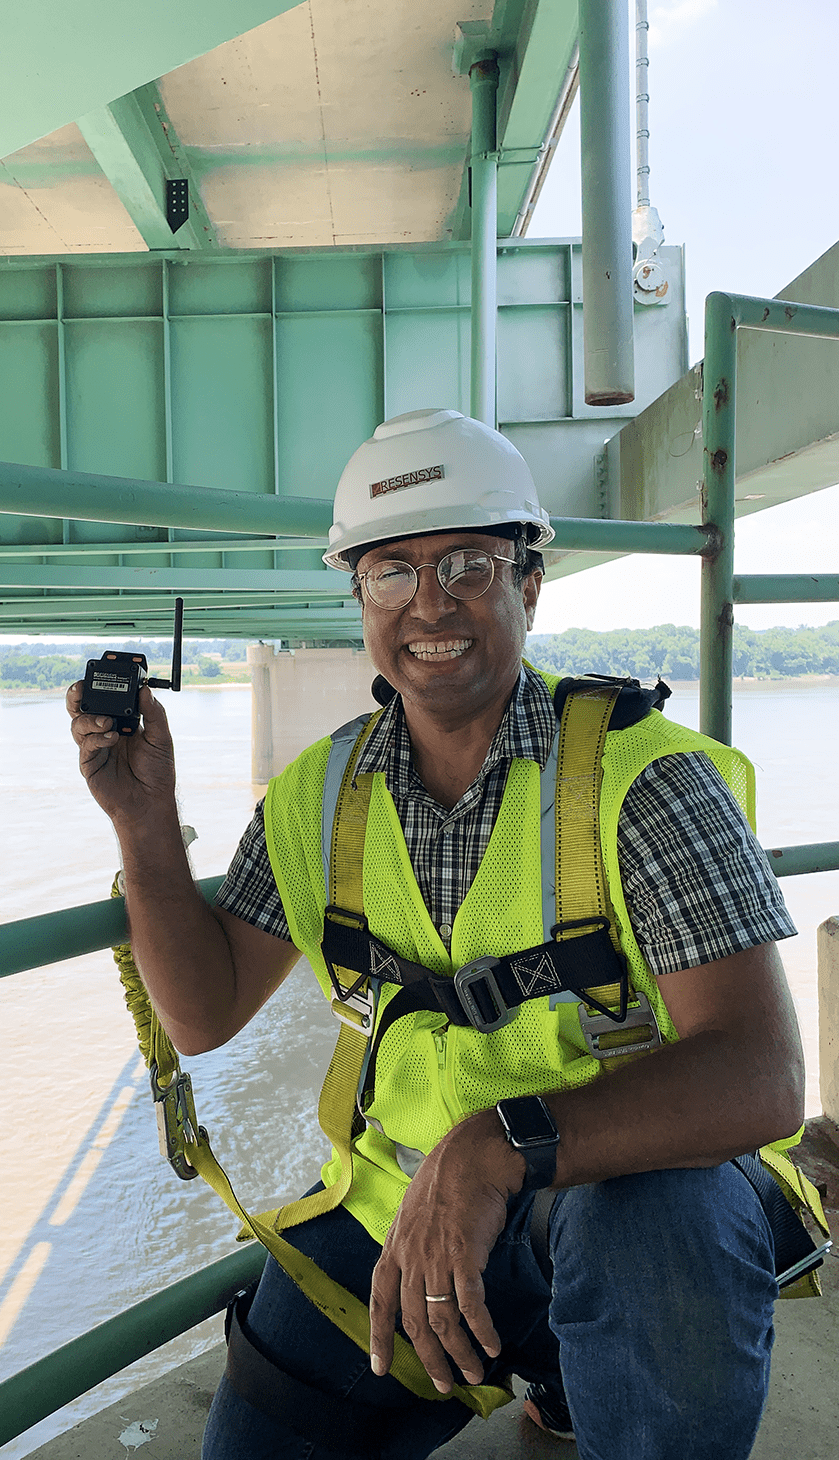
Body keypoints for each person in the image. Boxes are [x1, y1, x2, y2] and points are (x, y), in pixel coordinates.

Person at [67, 408, 805, 1460]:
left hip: (605, 1206)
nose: (430, 604)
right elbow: (200, 1012)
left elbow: (763, 1077)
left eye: (467, 563)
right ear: (356, 593)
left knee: (660, 1236)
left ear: (529, 582)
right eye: (390, 572)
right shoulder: (321, 795)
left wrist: (500, 1147)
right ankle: (546, 1360)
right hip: (401, 1216)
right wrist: (143, 820)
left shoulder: (644, 781)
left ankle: (574, 1366)